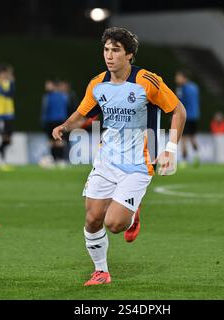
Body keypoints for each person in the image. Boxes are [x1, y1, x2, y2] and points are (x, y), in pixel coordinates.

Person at [52, 27, 186, 286]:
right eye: (106, 50)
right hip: (106, 160)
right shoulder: (97, 84)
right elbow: (83, 113)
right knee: (92, 219)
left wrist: (170, 149)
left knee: (114, 224)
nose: (109, 56)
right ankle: (101, 271)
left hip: (137, 164)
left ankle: (132, 214)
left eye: (116, 50)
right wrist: (64, 126)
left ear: (130, 55)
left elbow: (178, 111)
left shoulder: (147, 81)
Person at [41, 80, 70, 167]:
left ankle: (53, 159)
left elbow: (45, 109)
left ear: (53, 86)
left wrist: (43, 121)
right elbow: (68, 107)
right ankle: (61, 160)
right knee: (60, 140)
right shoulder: (64, 96)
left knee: (52, 141)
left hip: (50, 121)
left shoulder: (48, 96)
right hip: (61, 121)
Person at [175, 70, 200, 165]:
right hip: (195, 115)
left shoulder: (181, 88)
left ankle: (184, 160)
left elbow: (180, 103)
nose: (177, 79)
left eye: (178, 77)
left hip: (186, 115)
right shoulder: (194, 87)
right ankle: (197, 155)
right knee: (192, 137)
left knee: (184, 138)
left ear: (183, 77)